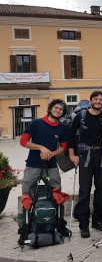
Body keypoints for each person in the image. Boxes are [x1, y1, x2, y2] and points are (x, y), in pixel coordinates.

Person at [19, 99, 70, 243]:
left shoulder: (62, 128)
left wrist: (52, 153)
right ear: (50, 109)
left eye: (61, 109)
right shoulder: (36, 123)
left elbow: (63, 147)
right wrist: (41, 148)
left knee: (57, 193)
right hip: (34, 164)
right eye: (56, 108)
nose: (58, 110)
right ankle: (25, 227)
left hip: (51, 166)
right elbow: (23, 141)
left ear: (63, 113)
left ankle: (59, 224)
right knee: (27, 195)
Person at [68, 91, 102, 238]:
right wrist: (72, 155)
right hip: (85, 156)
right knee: (85, 189)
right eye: (96, 99)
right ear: (91, 101)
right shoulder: (80, 116)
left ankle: (97, 220)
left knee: (101, 188)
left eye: (101, 99)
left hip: (101, 156)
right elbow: (70, 135)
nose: (98, 101)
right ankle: (83, 224)